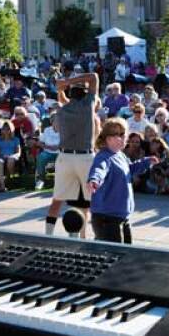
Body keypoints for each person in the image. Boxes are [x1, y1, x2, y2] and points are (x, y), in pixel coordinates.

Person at [45, 73, 101, 236]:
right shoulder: (88, 106)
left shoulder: (62, 110)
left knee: (58, 199)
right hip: (85, 157)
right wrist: (67, 82)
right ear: (85, 94)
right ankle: (82, 235)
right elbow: (94, 77)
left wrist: (61, 86)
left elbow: (62, 98)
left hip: (64, 158)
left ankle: (48, 235)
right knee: (89, 200)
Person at [87, 118, 158, 243]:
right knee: (111, 254)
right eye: (121, 134)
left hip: (121, 215)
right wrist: (94, 180)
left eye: (124, 133)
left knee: (125, 253)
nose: (125, 137)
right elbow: (99, 169)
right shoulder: (103, 157)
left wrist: (145, 162)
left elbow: (129, 169)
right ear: (109, 138)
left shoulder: (120, 155)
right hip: (107, 217)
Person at [0, 120, 22, 192]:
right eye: (4, 129)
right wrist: (2, 156)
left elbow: (18, 152)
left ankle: (8, 178)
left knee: (10, 159)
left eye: (8, 129)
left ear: (11, 129)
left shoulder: (16, 139)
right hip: (2, 157)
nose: (6, 130)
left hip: (13, 157)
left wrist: (12, 156)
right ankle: (2, 186)